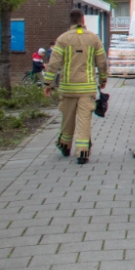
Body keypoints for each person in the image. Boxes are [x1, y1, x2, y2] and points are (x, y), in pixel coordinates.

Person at [44, 9, 108, 165]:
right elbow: (102, 61)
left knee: (67, 118)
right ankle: (83, 152)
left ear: (70, 21)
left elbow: (53, 64)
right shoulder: (93, 38)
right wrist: (103, 79)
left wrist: (48, 83)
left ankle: (65, 145)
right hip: (87, 88)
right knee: (84, 119)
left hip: (67, 87)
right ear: (83, 20)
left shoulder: (62, 39)